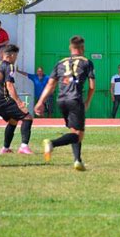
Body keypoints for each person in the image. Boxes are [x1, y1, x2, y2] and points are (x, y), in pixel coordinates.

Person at [35, 36, 95, 171]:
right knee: (78, 135)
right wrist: (88, 101)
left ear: (70, 48)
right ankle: (52, 143)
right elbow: (92, 86)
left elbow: (50, 84)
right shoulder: (87, 62)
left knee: (74, 131)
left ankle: (78, 161)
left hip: (61, 100)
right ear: (82, 48)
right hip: (75, 99)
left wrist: (40, 102)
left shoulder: (60, 62)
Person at [0, 45, 34, 154]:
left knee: (13, 120)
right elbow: (9, 86)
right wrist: (19, 102)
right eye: (16, 55)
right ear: (11, 55)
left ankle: (5, 148)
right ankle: (24, 146)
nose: (16, 58)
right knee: (27, 117)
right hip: (2, 99)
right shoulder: (10, 66)